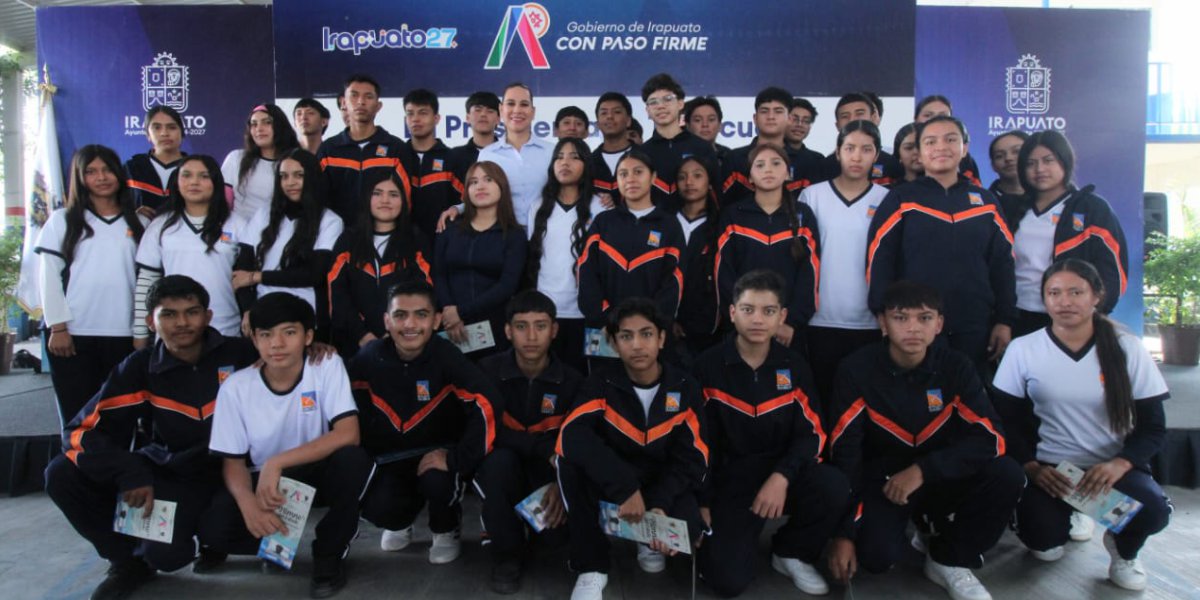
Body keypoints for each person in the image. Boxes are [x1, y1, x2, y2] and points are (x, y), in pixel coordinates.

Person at [44, 275, 260, 600]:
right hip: (173, 474)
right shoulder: (139, 367)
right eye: (169, 314)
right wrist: (129, 472)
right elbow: (80, 432)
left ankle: (215, 539)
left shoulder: (242, 353)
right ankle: (127, 563)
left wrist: (317, 350)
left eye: (192, 312)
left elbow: (293, 360)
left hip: (235, 473)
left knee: (235, 531)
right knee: (61, 473)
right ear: (150, 322)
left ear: (208, 316)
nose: (182, 323)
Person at [826, 281, 1022, 600]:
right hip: (884, 482)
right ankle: (919, 526)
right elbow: (845, 453)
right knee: (876, 558)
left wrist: (923, 470)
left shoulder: (956, 367)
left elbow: (992, 438)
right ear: (883, 323)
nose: (913, 328)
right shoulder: (856, 369)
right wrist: (844, 532)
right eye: (901, 318)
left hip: (940, 473)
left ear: (939, 324)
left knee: (1008, 473)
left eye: (925, 318)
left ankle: (949, 557)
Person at [993, 259, 1171, 591]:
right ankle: (1073, 511)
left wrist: (1120, 464)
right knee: (1044, 544)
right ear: (1043, 299)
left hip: (1109, 471)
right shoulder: (1023, 349)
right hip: (1051, 470)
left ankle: (1123, 548)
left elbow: (1154, 428)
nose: (1065, 301)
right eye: (1054, 293)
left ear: (1097, 296)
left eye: (1076, 292)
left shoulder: (1127, 347)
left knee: (1152, 512)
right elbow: (1004, 420)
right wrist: (1031, 466)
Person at [205, 292, 373, 598]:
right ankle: (277, 540)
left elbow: (348, 433)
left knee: (353, 460)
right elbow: (233, 462)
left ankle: (329, 553)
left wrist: (277, 462)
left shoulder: (326, 365)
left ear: (308, 336)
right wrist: (248, 505)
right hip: (263, 483)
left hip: (313, 471)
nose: (277, 344)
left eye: (289, 332)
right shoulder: (236, 387)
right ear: (254, 339)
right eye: (266, 335)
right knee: (216, 529)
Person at [695, 270, 848, 597]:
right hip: (730, 483)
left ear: (782, 317)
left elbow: (813, 435)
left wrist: (782, 476)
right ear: (732, 313)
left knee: (833, 485)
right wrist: (701, 499)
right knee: (726, 580)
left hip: (781, 474)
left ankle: (791, 551)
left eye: (768, 311)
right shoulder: (707, 366)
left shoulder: (794, 365)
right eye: (748, 309)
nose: (757, 319)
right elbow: (694, 443)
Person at [557, 297, 709, 600]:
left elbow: (693, 457)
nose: (637, 345)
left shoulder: (685, 386)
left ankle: (646, 536)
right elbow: (571, 435)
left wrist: (660, 505)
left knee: (690, 529)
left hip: (661, 484)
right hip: (616, 485)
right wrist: (624, 486)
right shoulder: (600, 382)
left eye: (646, 334)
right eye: (626, 336)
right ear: (614, 344)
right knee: (568, 463)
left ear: (661, 338)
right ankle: (592, 566)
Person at [349, 280, 500, 566]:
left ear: (436, 320)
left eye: (421, 315)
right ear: (386, 321)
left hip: (436, 457)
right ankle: (401, 521)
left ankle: (445, 527)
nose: (410, 324)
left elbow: (488, 402)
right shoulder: (368, 357)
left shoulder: (448, 357)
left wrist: (458, 458)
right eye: (400, 315)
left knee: (438, 482)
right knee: (379, 507)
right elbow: (336, 395)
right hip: (390, 459)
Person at [866, 116, 1015, 371]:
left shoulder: (986, 201)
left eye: (950, 139)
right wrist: (883, 313)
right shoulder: (902, 198)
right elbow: (879, 259)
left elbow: (1003, 264)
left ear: (964, 148)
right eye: (930, 142)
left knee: (969, 390)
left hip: (974, 324)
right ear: (920, 153)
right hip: (915, 324)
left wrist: (1005, 319)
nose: (941, 147)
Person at [474, 291, 584, 594]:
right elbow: (482, 429)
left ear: (554, 330)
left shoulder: (573, 381)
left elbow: (579, 441)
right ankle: (506, 555)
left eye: (541, 326)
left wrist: (561, 483)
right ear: (508, 331)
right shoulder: (487, 371)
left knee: (553, 541)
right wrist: (538, 447)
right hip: (502, 469)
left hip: (547, 475)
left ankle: (526, 529)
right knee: (497, 464)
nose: (532, 336)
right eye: (521, 326)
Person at [37, 145, 147, 425]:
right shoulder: (62, 220)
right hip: (74, 335)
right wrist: (58, 327)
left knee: (119, 420)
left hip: (125, 335)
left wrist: (141, 331)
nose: (101, 177)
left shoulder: (140, 222)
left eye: (107, 170)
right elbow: (48, 277)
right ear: (79, 177)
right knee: (77, 419)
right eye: (91, 171)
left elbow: (148, 280)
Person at [1001, 130, 1129, 337]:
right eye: (1031, 163)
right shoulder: (1010, 208)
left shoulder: (1092, 208)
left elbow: (1113, 270)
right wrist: (1002, 318)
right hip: (1017, 316)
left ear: (1065, 161)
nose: (1040, 169)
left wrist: (1096, 312)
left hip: (1071, 317)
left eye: (1048, 160)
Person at [800, 121, 889, 409]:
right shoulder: (812, 196)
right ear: (837, 152)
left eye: (866, 149)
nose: (857, 156)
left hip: (869, 321)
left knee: (862, 401)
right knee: (822, 398)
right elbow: (800, 259)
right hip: (819, 319)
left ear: (876, 155)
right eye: (849, 148)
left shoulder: (887, 199)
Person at [715, 144, 820, 354]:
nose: (768, 170)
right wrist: (742, 318)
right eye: (760, 165)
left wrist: (789, 322)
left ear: (788, 173)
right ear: (750, 177)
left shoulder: (804, 215)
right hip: (741, 328)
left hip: (787, 331)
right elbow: (723, 274)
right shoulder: (733, 215)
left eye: (776, 163)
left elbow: (810, 274)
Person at [134, 155, 247, 341]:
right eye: (186, 175)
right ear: (176, 182)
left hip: (226, 329)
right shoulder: (161, 226)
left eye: (204, 176)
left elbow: (248, 281)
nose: (194, 182)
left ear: (216, 182)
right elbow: (147, 280)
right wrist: (140, 333)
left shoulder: (237, 224)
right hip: (172, 333)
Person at [233, 148, 344, 337]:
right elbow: (241, 271)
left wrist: (257, 277)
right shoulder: (263, 214)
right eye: (284, 176)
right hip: (263, 316)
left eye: (299, 175)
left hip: (307, 320)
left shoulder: (329, 220)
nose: (290, 182)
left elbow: (314, 275)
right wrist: (248, 310)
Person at [577, 150, 685, 340]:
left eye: (638, 172)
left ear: (653, 177)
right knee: (602, 362)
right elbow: (586, 271)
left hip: (649, 331)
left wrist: (649, 322)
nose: (630, 179)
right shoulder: (603, 221)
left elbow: (674, 280)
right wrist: (605, 318)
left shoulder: (669, 225)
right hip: (603, 329)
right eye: (623, 174)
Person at [328, 170, 431, 357]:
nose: (385, 200)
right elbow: (337, 292)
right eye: (377, 193)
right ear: (367, 198)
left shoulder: (416, 240)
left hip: (405, 343)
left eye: (393, 195)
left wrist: (394, 334)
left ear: (404, 201)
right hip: (353, 345)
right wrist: (361, 335)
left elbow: (426, 290)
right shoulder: (348, 240)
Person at [526, 138, 606, 373]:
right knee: (551, 376)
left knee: (588, 376)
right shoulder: (538, 207)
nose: (565, 162)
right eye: (559, 157)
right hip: (547, 311)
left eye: (574, 157)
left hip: (588, 313)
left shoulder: (600, 206)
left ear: (586, 165)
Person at [434, 161, 527, 360]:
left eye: (488, 180)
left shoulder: (514, 234)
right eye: (473, 182)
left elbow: (507, 285)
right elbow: (439, 274)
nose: (480, 187)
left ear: (502, 186)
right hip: (450, 325)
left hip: (494, 327)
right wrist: (449, 311)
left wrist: (461, 312)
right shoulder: (450, 228)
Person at [316, 74, 418, 223]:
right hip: (337, 234)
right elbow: (317, 199)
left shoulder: (396, 149)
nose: (361, 102)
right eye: (354, 95)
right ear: (343, 103)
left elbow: (406, 201)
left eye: (368, 96)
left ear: (378, 106)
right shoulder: (328, 150)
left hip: (382, 234)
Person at [640, 73, 715, 209]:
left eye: (667, 99)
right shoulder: (640, 153)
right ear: (647, 110)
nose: (661, 106)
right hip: (653, 222)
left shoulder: (702, 148)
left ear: (680, 104)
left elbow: (715, 199)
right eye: (653, 102)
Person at [673, 155, 722, 360]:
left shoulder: (721, 224)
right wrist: (668, 318)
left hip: (708, 329)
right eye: (682, 177)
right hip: (666, 326)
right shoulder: (665, 221)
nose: (689, 182)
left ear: (710, 182)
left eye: (697, 175)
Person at [722, 87, 805, 206]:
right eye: (764, 111)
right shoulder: (734, 159)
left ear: (790, 119)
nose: (771, 116)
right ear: (755, 119)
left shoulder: (809, 162)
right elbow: (723, 206)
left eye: (778, 111)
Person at [222, 103, 300, 223]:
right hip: (239, 231)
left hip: (282, 230)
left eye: (267, 122)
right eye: (254, 124)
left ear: (280, 126)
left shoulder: (295, 162)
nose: (259, 129)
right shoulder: (236, 158)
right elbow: (222, 205)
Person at [402, 88, 460, 238]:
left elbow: (466, 203)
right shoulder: (397, 156)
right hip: (402, 242)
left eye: (423, 113)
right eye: (410, 113)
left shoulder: (452, 158)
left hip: (442, 241)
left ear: (436, 118)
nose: (415, 119)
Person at [819, 93, 897, 186]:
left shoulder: (892, 164)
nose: (853, 120)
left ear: (873, 118)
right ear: (837, 125)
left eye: (859, 113)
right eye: (845, 116)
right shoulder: (825, 167)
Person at [124, 106, 186, 218]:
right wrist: (133, 215)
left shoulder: (196, 169)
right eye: (157, 127)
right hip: (141, 229)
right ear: (148, 135)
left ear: (182, 132)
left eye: (172, 127)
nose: (164, 133)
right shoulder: (132, 168)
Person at [914, 95, 982, 186]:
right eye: (928, 115)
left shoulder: (965, 160)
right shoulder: (901, 191)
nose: (935, 119)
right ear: (916, 119)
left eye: (943, 116)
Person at [447, 91, 501, 188]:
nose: (483, 114)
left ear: (498, 119)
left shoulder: (509, 154)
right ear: (467, 117)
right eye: (478, 110)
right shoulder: (454, 156)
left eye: (490, 111)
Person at [591, 92, 636, 202]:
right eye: (604, 113)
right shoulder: (589, 162)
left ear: (628, 121)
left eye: (617, 112)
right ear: (597, 124)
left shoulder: (645, 157)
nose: (609, 117)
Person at [786, 98, 824, 185]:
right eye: (794, 119)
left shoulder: (818, 160)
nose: (800, 125)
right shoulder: (772, 155)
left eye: (806, 121)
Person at [986, 130, 1028, 200]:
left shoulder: (1046, 198)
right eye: (999, 156)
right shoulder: (984, 201)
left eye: (1016, 151)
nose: (1008, 158)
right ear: (993, 165)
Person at [891, 122, 923, 186]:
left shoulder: (943, 187)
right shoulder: (891, 190)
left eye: (921, 146)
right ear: (899, 154)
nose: (916, 152)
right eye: (909, 148)